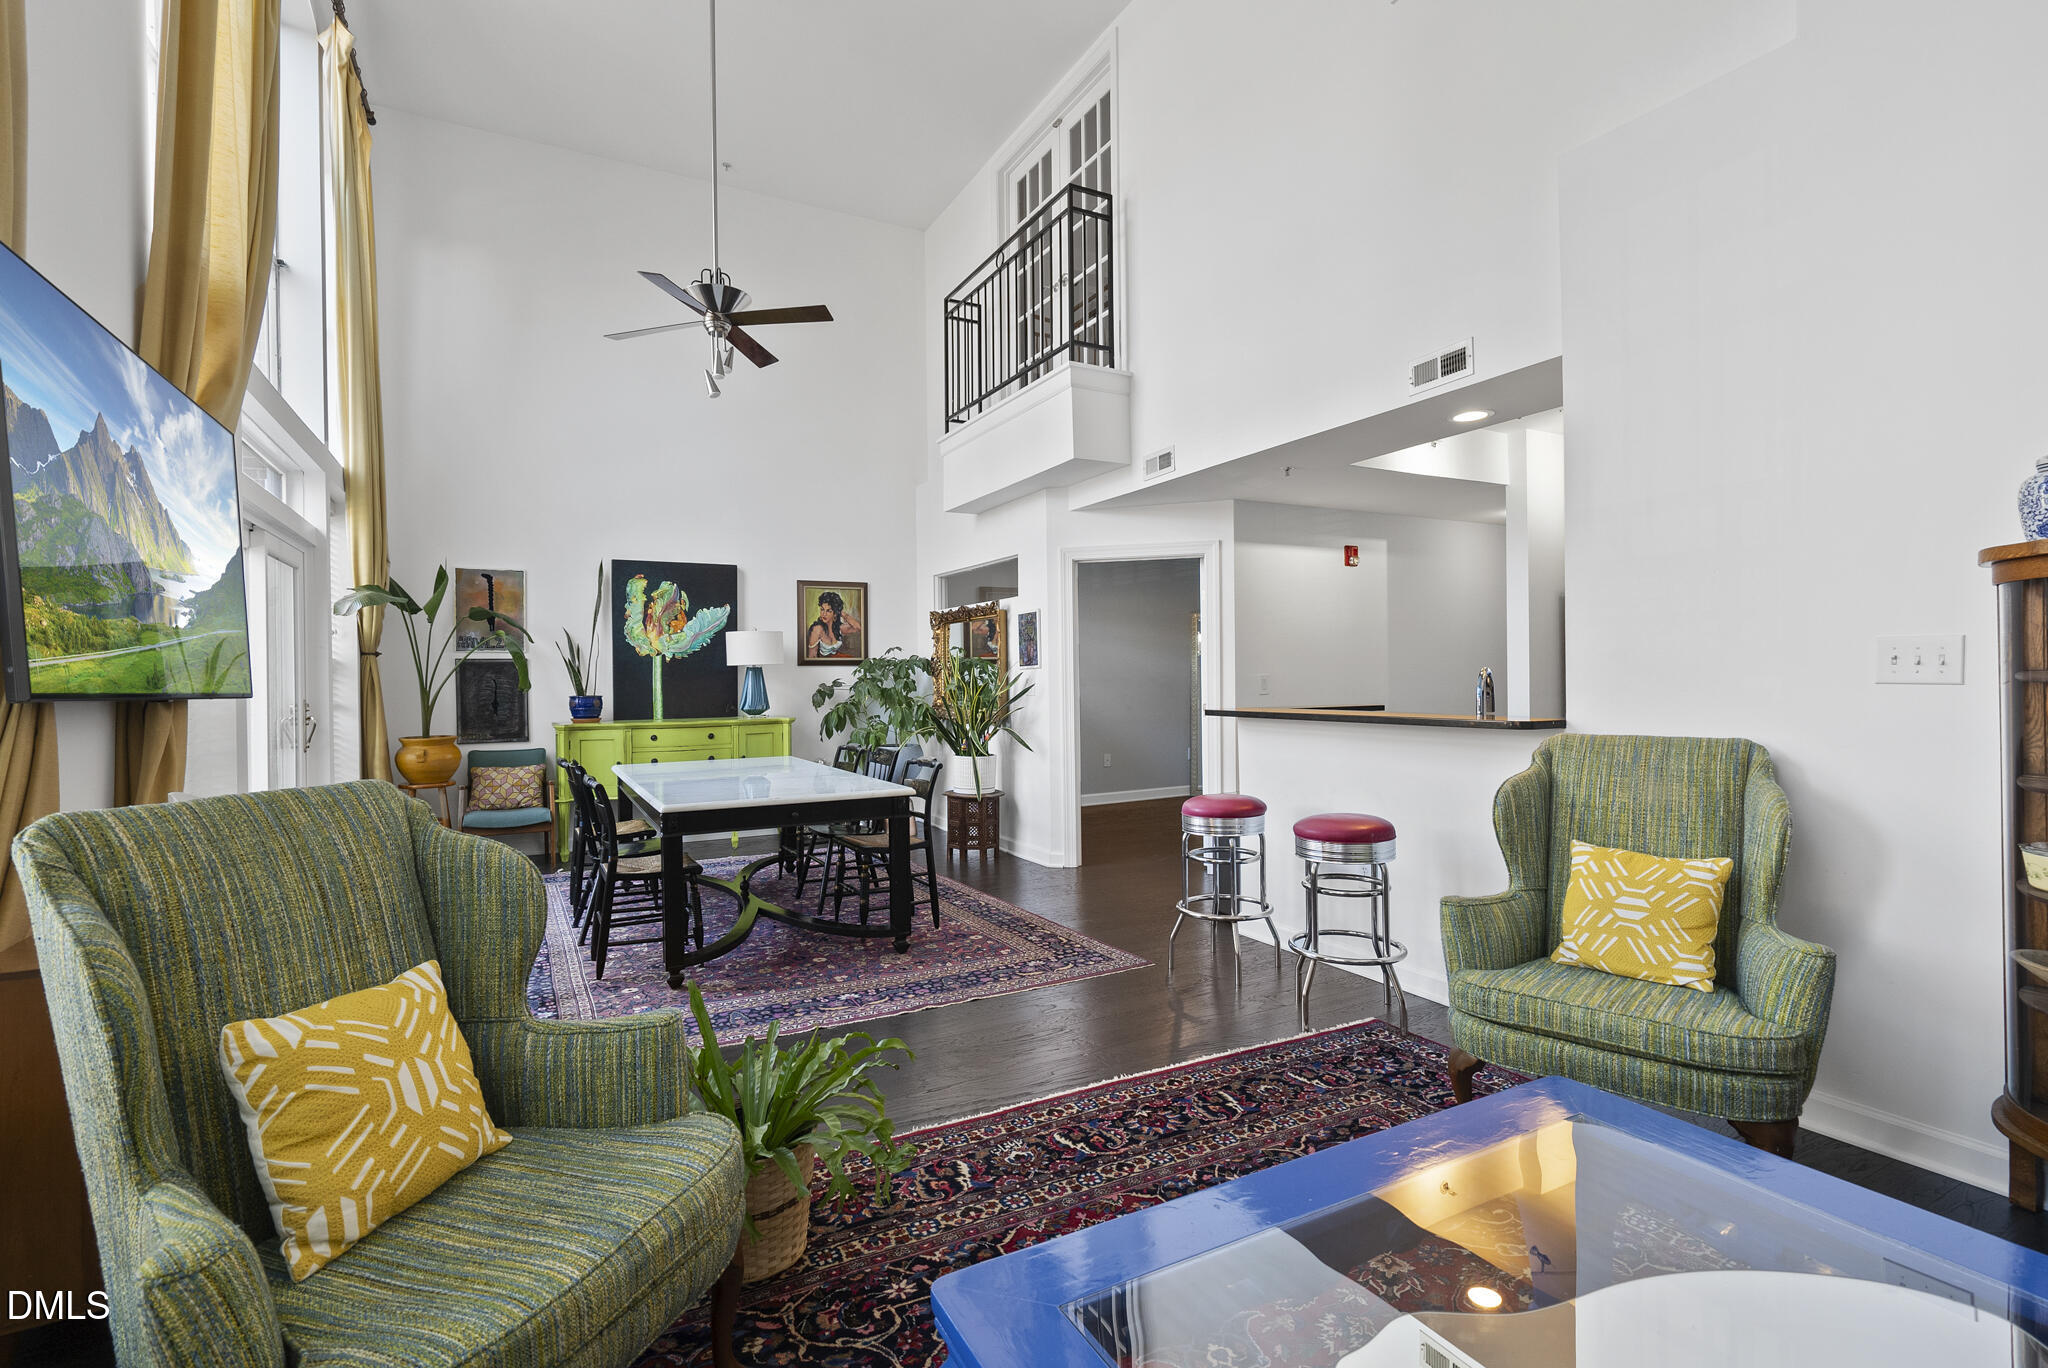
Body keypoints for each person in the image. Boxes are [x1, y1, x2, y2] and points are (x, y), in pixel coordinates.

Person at [806, 590, 863, 660]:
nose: (824, 614)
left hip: (836, 661)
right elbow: (812, 657)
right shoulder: (817, 629)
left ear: (835, 613)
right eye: (822, 609)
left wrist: (842, 613)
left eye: (828, 611)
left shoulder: (839, 628)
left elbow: (859, 628)